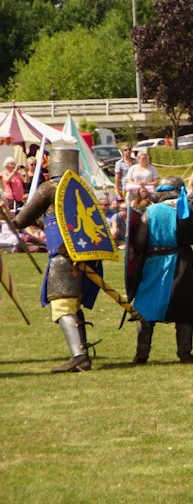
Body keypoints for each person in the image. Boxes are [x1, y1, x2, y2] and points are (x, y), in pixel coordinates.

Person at [12, 148, 104, 372]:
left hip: (64, 256)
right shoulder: (81, 188)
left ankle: (79, 355)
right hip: (86, 255)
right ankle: (82, 354)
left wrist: (11, 218)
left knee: (62, 304)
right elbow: (60, 222)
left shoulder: (50, 188)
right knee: (74, 303)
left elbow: (23, 219)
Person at [132, 176, 193, 364]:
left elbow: (138, 243)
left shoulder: (149, 212)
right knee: (184, 308)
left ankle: (141, 353)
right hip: (182, 267)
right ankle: (185, 353)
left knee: (146, 308)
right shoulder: (190, 215)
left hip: (153, 266)